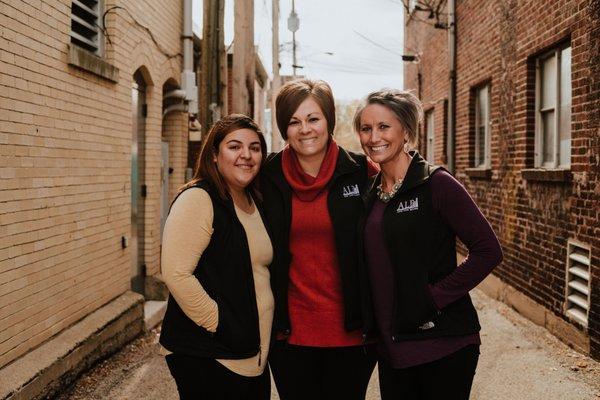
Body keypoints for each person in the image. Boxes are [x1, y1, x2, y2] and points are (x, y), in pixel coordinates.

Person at [354, 89, 503, 400]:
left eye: (384, 127)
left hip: (443, 344)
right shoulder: (370, 192)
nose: (373, 137)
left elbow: (488, 250)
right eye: (366, 128)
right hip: (392, 348)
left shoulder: (437, 184)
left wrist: (432, 298)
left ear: (406, 130)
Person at [261, 79, 379, 400]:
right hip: (289, 336)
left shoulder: (361, 172)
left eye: (313, 119)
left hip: (352, 337)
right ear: (284, 128)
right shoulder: (266, 176)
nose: (305, 129)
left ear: (329, 120)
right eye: (294, 122)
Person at [159, 114, 273, 400]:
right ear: (213, 155)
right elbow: (176, 273)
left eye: (255, 148)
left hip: (251, 354)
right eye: (234, 146)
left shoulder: (253, 201)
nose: (246, 155)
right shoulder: (199, 198)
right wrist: (220, 324)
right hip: (210, 355)